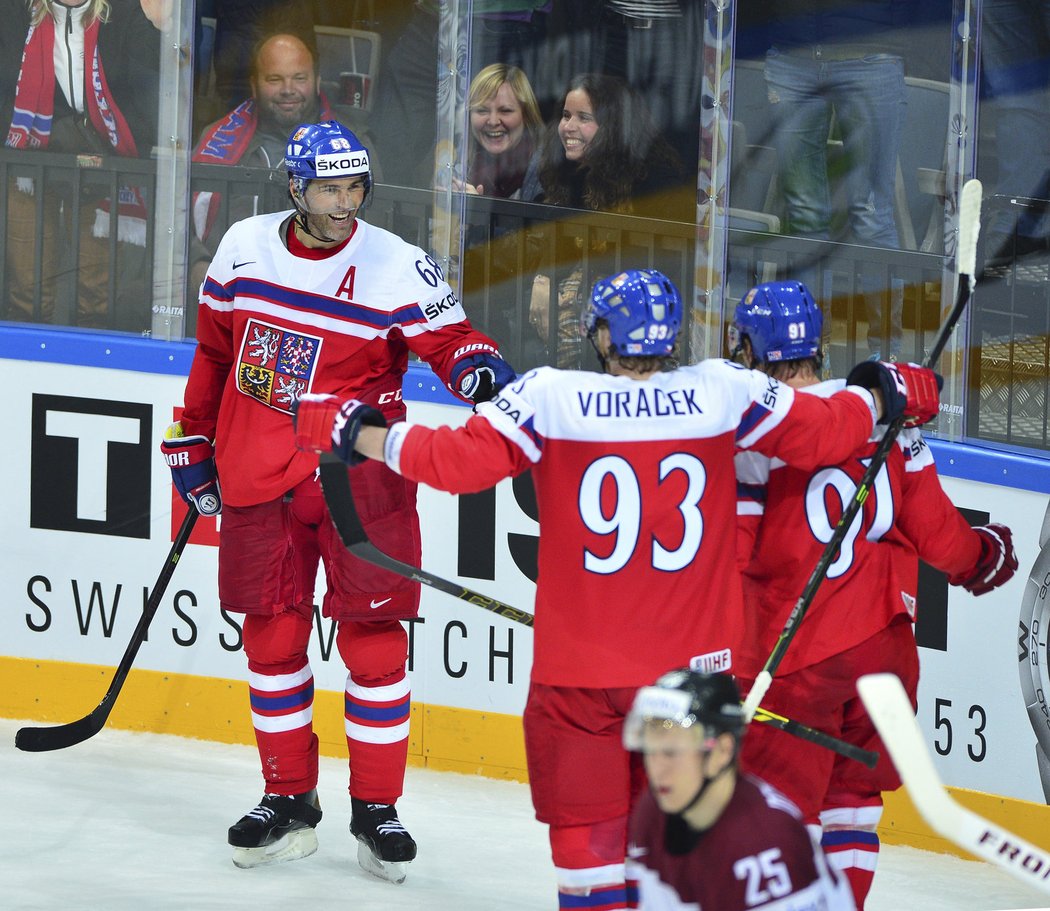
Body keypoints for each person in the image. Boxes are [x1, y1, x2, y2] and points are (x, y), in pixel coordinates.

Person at [292, 267, 943, 909]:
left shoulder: (550, 395)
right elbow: (828, 431)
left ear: (601, 335)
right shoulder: (722, 390)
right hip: (691, 677)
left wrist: (353, 428)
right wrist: (884, 391)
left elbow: (450, 462)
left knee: (591, 851)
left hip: (581, 676)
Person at [161, 120, 515, 881]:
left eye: (356, 186)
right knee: (271, 641)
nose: (346, 202)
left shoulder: (397, 264)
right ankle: (287, 798)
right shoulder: (243, 247)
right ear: (295, 186)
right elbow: (216, 353)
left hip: (362, 483)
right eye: (330, 187)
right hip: (261, 475)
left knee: (377, 644)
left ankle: (376, 808)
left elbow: (454, 343)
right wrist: (191, 440)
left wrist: (479, 371)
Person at [729, 280, 1019, 909]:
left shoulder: (752, 432)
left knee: (784, 805)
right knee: (853, 803)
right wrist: (983, 558)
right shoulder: (885, 411)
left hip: (794, 654)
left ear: (748, 348)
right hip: (883, 654)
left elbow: (732, 551)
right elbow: (941, 536)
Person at [753, 2, 913, 360]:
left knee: (870, 212)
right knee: (806, 213)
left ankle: (887, 361)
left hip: (868, 51)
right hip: (792, 53)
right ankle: (809, 353)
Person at [623, 668, 856, 910]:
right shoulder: (654, 810)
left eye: (672, 753)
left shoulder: (768, 844)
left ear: (722, 751)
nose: (657, 769)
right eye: (650, 751)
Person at [0, 0, 160, 330]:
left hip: (104, 165)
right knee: (26, 295)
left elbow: (154, 88)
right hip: (26, 163)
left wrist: (162, 29)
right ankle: (26, 374)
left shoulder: (124, 11)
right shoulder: (13, 10)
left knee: (97, 297)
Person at [522, 73, 687, 368]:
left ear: (613, 127)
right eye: (565, 115)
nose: (568, 128)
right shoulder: (566, 171)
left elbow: (652, 264)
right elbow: (557, 239)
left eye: (584, 118)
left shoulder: (655, 178)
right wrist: (544, 278)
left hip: (644, 301)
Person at [189, 30, 332, 295]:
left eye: (299, 78)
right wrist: (197, 263)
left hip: (313, 299)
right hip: (223, 294)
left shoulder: (352, 145)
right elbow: (177, 214)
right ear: (254, 85)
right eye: (275, 79)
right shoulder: (215, 140)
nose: (288, 90)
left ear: (317, 82)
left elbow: (372, 233)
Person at [453, 63, 543, 200]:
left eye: (505, 111)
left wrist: (477, 210)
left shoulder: (547, 173)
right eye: (482, 110)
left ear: (526, 115)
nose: (493, 121)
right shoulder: (455, 164)